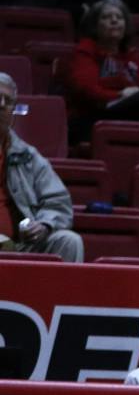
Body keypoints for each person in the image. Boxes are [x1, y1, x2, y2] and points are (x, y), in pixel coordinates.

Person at [0, 72, 85, 263]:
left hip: (19, 246)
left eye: (9, 101)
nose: (2, 106)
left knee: (69, 241)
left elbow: (58, 202)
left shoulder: (28, 156)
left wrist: (45, 225)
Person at [66, 0, 139, 130]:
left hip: (128, 112)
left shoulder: (132, 57)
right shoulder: (85, 51)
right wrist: (120, 95)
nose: (114, 20)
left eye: (119, 18)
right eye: (106, 17)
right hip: (92, 116)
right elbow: (86, 90)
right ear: (95, 26)